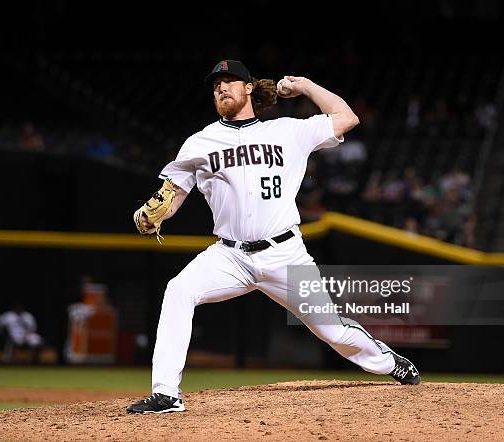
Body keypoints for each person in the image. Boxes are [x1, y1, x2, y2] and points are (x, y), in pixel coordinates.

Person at [127, 60, 420, 414]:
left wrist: (307, 86)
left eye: (230, 81)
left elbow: (347, 118)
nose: (221, 88)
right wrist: (148, 216)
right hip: (229, 256)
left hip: (285, 254)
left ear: (249, 87)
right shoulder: (199, 143)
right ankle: (166, 393)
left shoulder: (287, 131)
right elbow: (171, 197)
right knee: (179, 290)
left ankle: (390, 364)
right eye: (216, 84)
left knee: (334, 331)